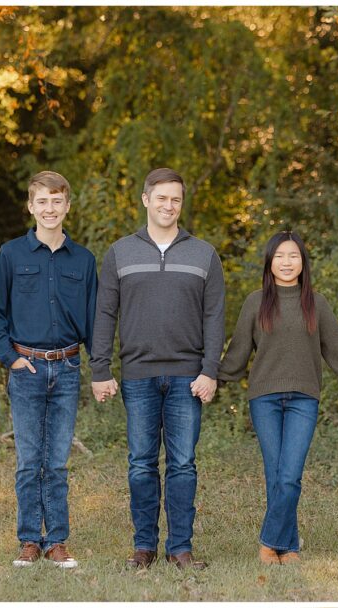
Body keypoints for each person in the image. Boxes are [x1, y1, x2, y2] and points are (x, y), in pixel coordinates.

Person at [90, 167, 225, 570]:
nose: (169, 205)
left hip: (188, 376)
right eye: (162, 198)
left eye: (176, 199)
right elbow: (104, 314)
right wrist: (100, 369)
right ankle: (143, 547)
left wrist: (210, 370)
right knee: (141, 463)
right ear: (146, 199)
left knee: (183, 463)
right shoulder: (120, 252)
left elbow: (215, 316)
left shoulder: (204, 254)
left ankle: (180, 549)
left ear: (182, 204)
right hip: (138, 374)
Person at [219, 231, 338, 564]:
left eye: (294, 256)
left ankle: (269, 543)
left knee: (290, 475)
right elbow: (238, 352)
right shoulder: (255, 302)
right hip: (264, 399)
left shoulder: (316, 303)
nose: (287, 263)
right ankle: (288, 548)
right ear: (270, 261)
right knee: (276, 474)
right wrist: (212, 378)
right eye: (280, 256)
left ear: (303, 262)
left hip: (304, 399)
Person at [0, 170, 97, 569]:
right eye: (42, 201)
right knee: (30, 460)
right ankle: (30, 540)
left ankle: (58, 542)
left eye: (57, 201)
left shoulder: (83, 260)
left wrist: (97, 367)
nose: (50, 209)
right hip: (26, 368)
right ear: (31, 207)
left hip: (66, 367)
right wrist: (10, 358)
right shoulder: (11, 254)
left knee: (58, 462)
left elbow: (94, 320)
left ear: (67, 205)